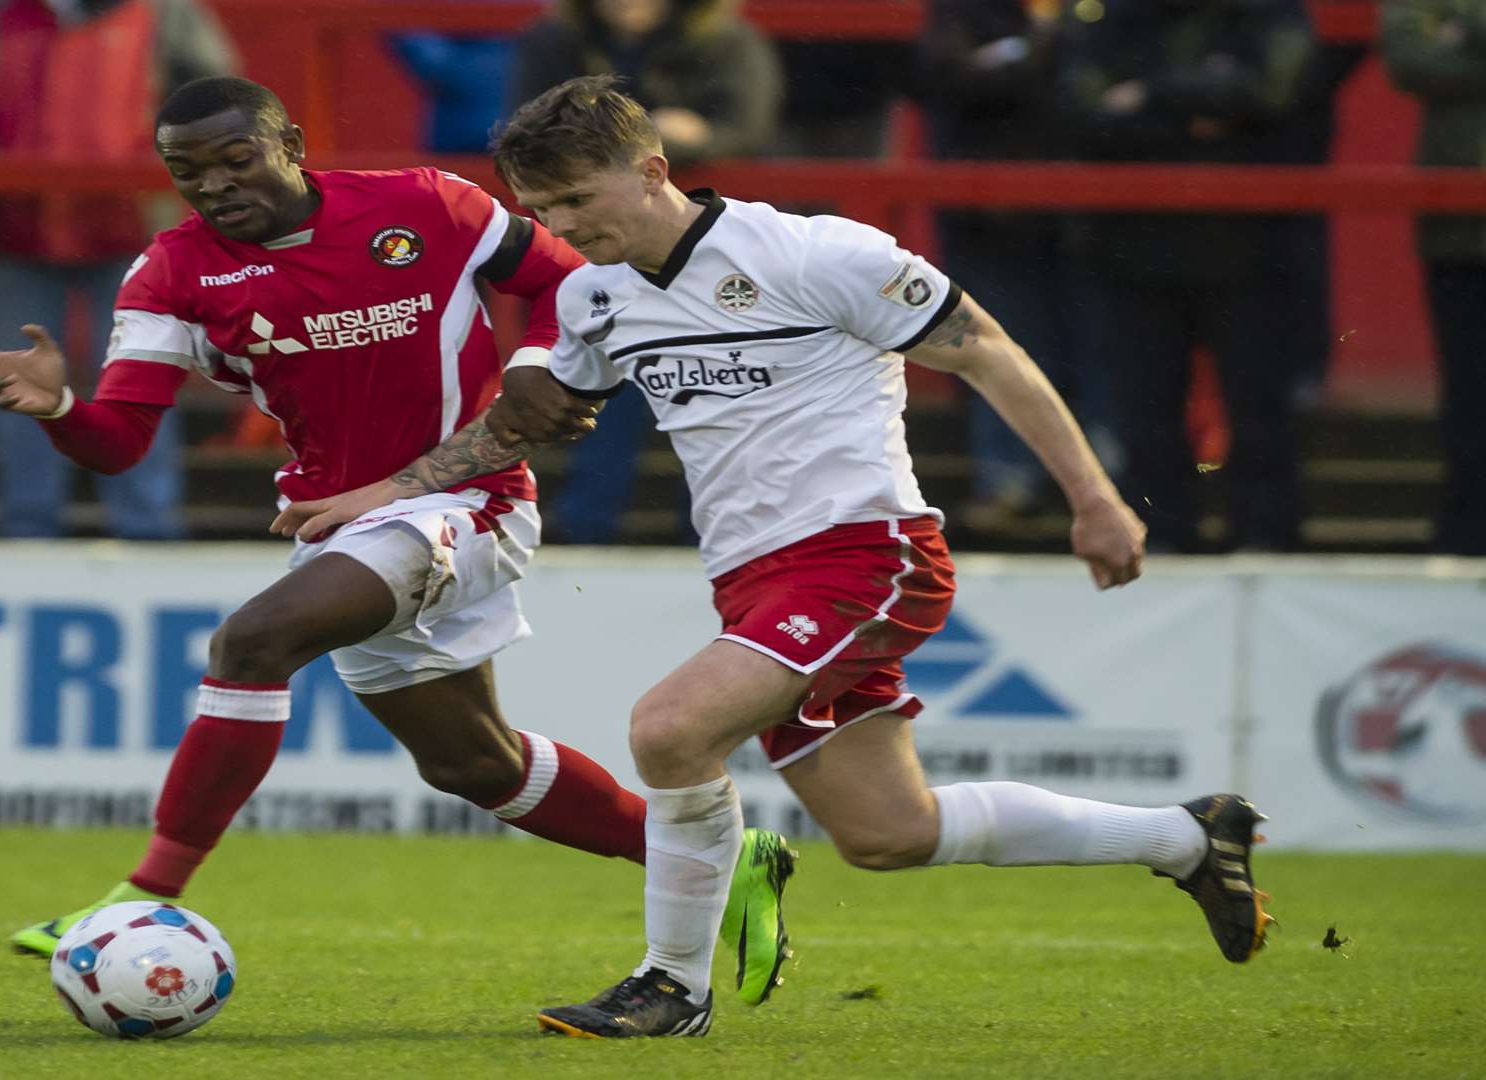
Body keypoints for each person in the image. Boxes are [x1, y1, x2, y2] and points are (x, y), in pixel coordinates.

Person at [277, 77, 1275, 1039]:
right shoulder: (597, 302)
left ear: (653, 168)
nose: (565, 225)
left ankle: (671, 986)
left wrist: (1095, 500)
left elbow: (985, 349)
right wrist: (385, 493)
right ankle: (1186, 838)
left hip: (865, 552)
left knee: (669, 732)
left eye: (579, 198)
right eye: (542, 207)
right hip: (754, 580)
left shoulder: (817, 253)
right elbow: (525, 423)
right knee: (890, 833)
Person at [0, 77, 795, 1002]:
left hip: (468, 500)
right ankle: (721, 865)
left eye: (236, 158)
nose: (214, 184)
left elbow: (572, 278)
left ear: (290, 142)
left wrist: (529, 365)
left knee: (252, 643)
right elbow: (119, 442)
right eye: (186, 170)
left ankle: (143, 893)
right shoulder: (172, 272)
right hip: (339, 519)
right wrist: (62, 408)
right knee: (472, 764)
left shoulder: (422, 204)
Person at [0, 0, 239, 539]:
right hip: (13, 227)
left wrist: (171, 167)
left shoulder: (165, 13)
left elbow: (220, 99)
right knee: (15, 388)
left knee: (140, 383)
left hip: (136, 229)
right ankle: (26, 530)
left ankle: (147, 530)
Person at [512, 1, 783, 546]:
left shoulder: (728, 40)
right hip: (604, 259)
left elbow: (749, 124)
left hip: (706, 255)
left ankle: (706, 531)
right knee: (601, 392)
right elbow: (527, 141)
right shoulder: (553, 39)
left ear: (651, 170)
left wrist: (693, 138)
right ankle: (587, 527)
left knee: (713, 397)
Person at [1054, 0, 1317, 552]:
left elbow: (1275, 95)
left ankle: (1265, 537)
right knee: (1145, 409)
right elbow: (1078, 113)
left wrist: (1149, 95)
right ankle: (1159, 535)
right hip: (1133, 244)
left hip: (1250, 243)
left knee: (1258, 406)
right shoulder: (1111, 18)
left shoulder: (1265, 13)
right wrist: (1203, 112)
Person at [917, 0, 1119, 533]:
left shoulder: (1106, 15)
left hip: (1093, 211)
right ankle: (1010, 481)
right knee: (997, 343)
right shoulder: (967, 13)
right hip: (990, 211)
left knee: (1101, 348)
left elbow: (1094, 98)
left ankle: (1108, 478)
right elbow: (947, 80)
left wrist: (1027, 58)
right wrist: (1043, 50)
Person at [1380, 0, 1486, 555]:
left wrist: (1464, 27)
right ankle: (1468, 534)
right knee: (1468, 395)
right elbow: (1406, 59)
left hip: (1460, 219)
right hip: (1461, 233)